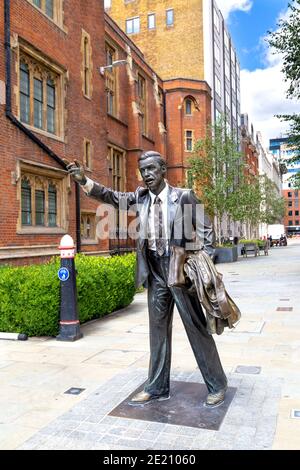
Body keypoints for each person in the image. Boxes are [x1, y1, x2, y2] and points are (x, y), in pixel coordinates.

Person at [66, 151, 227, 407]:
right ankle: (157, 387)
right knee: (158, 333)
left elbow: (206, 229)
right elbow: (112, 196)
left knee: (196, 329)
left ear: (164, 170)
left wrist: (203, 262)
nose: (147, 175)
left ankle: (217, 385)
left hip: (181, 272)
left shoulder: (183, 196)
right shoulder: (140, 198)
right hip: (156, 272)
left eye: (151, 169)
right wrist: (84, 181)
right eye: (143, 171)